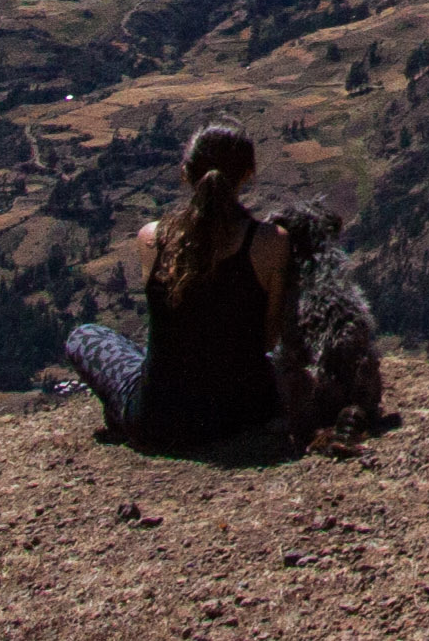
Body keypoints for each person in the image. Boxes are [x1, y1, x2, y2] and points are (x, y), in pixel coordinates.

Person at [64, 124, 304, 451]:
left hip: (158, 421)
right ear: (248, 174)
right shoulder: (272, 243)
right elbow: (269, 337)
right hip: (242, 413)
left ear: (185, 173)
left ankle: (123, 412)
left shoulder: (152, 238)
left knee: (85, 336)